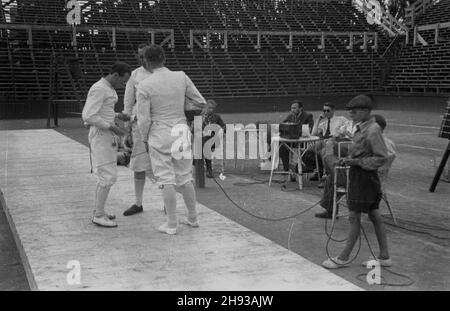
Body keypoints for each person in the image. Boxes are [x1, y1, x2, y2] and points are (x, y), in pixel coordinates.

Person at [136, 44, 206, 235]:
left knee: (165, 178)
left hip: (159, 132)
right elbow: (200, 102)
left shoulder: (144, 85)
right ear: (164, 58)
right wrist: (181, 105)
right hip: (180, 129)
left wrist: (144, 138)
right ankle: (193, 218)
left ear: (147, 62)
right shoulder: (181, 77)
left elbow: (143, 118)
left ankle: (172, 223)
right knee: (185, 177)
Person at [321, 95, 391, 269]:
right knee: (374, 215)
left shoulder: (372, 129)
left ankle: (344, 257)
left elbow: (382, 157)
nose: (351, 112)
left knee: (354, 216)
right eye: (350, 110)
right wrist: (351, 159)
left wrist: (357, 162)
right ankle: (384, 256)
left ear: (367, 111)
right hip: (361, 175)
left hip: (364, 178)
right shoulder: (361, 127)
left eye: (356, 110)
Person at [82, 62, 131, 227]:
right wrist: (112, 127)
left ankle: (100, 211)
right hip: (101, 136)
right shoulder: (99, 88)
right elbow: (88, 115)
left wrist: (117, 115)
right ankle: (98, 214)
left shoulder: (108, 88)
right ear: (115, 75)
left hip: (107, 136)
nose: (123, 85)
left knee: (109, 175)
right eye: (123, 81)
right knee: (107, 176)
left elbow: (103, 110)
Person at [121, 43, 154, 217]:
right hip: (139, 126)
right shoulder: (135, 75)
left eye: (144, 55)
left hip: (158, 125)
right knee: (139, 165)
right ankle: (138, 203)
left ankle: (167, 203)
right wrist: (127, 125)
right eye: (139, 56)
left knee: (162, 166)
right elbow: (128, 101)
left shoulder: (162, 73)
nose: (142, 59)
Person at [307, 102, 352, 182]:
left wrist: (341, 133)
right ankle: (319, 170)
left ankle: (325, 174)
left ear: (333, 110)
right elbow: (313, 133)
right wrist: (318, 119)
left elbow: (349, 129)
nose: (325, 113)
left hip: (334, 141)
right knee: (308, 151)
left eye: (328, 111)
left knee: (324, 151)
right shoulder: (323, 123)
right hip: (323, 141)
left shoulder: (341, 119)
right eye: (324, 111)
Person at [279, 100, 314, 180]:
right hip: (291, 140)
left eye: (294, 108)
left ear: (300, 108)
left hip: (303, 142)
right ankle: (288, 169)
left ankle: (293, 170)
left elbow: (310, 129)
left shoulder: (308, 116)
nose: (292, 110)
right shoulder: (290, 116)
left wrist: (296, 131)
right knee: (281, 144)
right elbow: (282, 125)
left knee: (284, 144)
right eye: (291, 108)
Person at [202, 99, 226, 178]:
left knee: (205, 144)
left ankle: (196, 161)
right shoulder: (201, 117)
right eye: (209, 108)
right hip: (203, 141)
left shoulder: (217, 117)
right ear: (205, 107)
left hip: (214, 140)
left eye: (212, 108)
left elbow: (224, 126)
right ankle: (209, 170)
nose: (211, 110)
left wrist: (221, 130)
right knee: (205, 144)